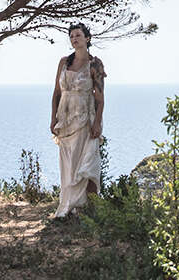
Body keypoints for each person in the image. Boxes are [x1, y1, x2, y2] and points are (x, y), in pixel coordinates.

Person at [50, 21, 105, 217]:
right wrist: (52, 118)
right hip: (65, 120)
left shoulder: (95, 64)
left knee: (88, 163)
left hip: (85, 119)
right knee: (69, 165)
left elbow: (100, 98)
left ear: (87, 39)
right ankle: (69, 207)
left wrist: (97, 122)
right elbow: (57, 92)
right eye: (72, 36)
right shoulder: (64, 62)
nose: (74, 39)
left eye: (78, 35)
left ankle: (89, 209)